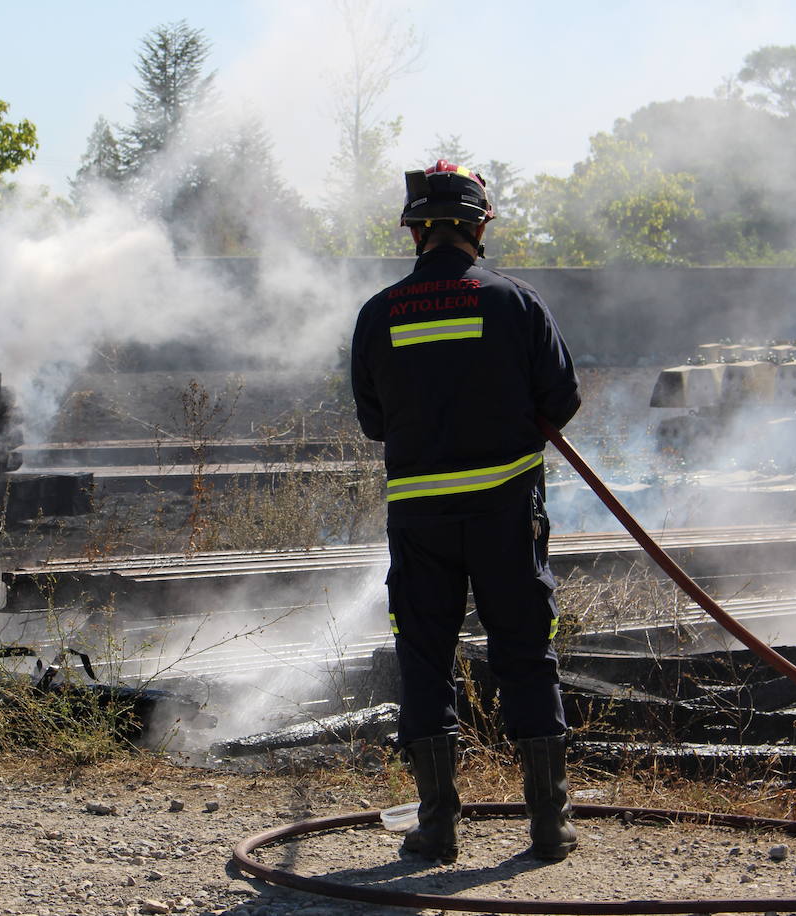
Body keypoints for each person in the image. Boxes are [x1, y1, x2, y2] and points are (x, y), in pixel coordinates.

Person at [350, 160, 582, 864]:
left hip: (420, 522)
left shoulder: (379, 313)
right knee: (524, 654)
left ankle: (438, 827)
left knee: (424, 659)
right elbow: (562, 402)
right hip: (506, 514)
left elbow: (373, 422)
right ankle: (548, 827)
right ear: (480, 225)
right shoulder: (516, 304)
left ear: (414, 231)